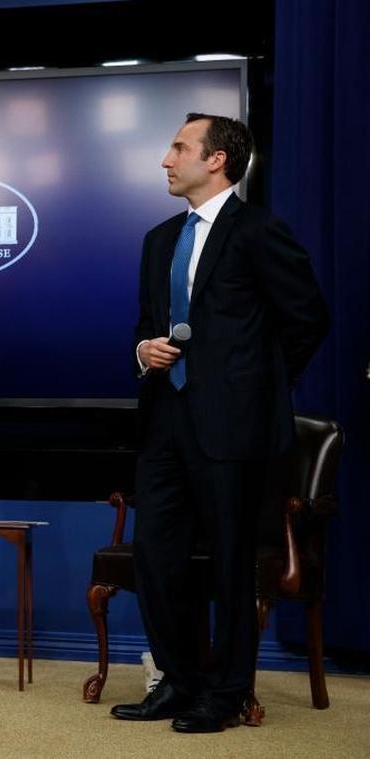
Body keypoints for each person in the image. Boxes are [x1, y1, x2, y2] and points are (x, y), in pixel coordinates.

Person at [111, 114, 328, 731]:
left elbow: (307, 318)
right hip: (164, 422)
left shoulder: (259, 231)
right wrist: (142, 349)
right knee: (157, 558)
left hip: (233, 429)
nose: (165, 159)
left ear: (218, 160)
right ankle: (178, 683)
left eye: (179, 147)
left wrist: (257, 387)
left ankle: (227, 693)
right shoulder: (159, 239)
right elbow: (145, 321)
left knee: (232, 566)